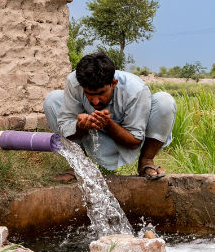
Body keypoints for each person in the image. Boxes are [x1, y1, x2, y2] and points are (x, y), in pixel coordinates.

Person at [44, 52, 176, 180]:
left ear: (114, 83)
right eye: (89, 94)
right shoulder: (74, 82)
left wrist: (108, 124)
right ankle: (80, 166)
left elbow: (134, 142)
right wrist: (80, 126)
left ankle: (146, 161)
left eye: (101, 93)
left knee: (165, 101)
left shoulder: (135, 89)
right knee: (52, 100)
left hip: (128, 139)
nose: (95, 101)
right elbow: (64, 129)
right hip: (91, 136)